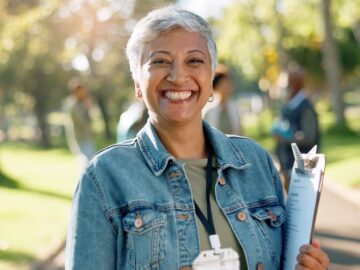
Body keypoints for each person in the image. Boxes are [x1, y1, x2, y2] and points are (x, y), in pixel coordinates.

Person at [65, 6, 329, 270]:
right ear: (137, 83)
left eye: (194, 61)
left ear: (211, 78)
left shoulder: (256, 163)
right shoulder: (102, 179)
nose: (178, 77)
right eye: (160, 61)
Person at [272, 67, 320, 191]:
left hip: (302, 170)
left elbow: (309, 137)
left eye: (285, 85)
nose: (283, 89)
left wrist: (284, 139)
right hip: (288, 167)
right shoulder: (290, 105)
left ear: (293, 85)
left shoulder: (305, 106)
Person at [63, 79, 96, 165]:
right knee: (86, 163)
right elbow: (81, 122)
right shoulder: (73, 105)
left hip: (86, 137)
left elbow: (89, 120)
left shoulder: (82, 103)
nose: (83, 93)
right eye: (81, 91)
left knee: (90, 161)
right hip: (79, 138)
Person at [203, 64, 242, 135]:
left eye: (229, 85)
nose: (227, 88)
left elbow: (240, 132)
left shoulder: (234, 108)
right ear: (216, 86)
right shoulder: (208, 110)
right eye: (224, 85)